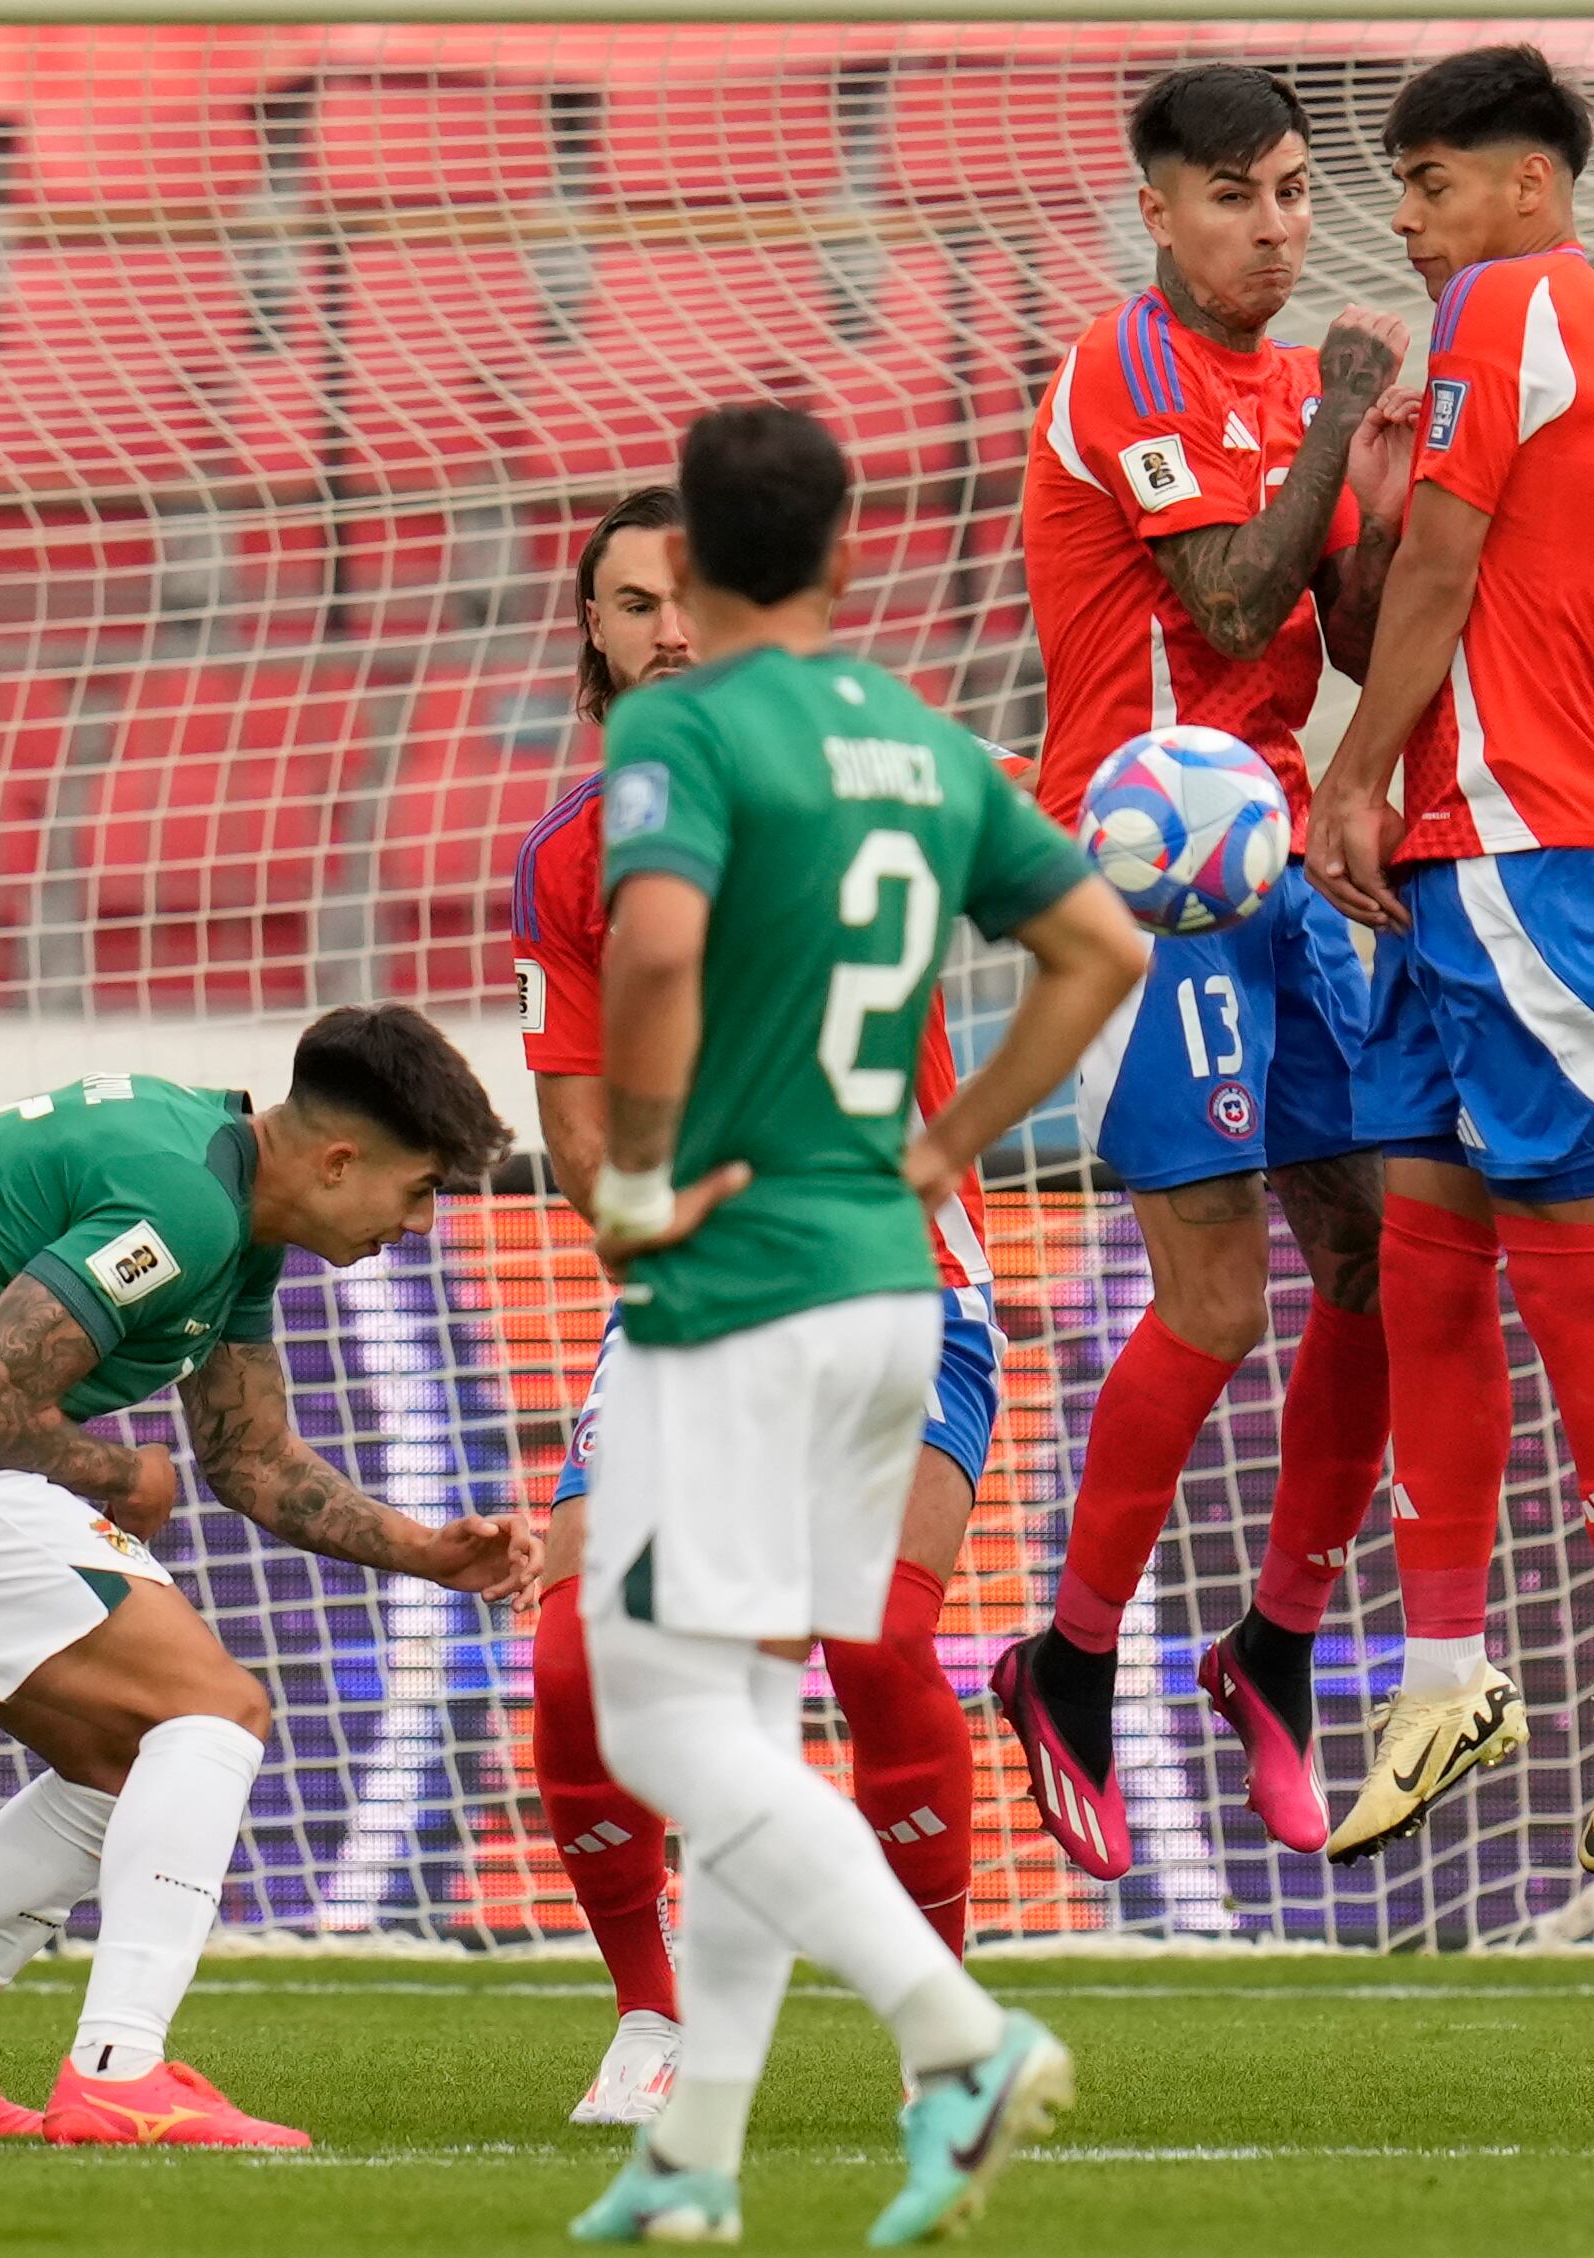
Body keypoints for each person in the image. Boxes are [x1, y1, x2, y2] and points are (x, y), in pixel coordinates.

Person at [566, 403, 1146, 2247]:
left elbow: (654, 948)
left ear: (696, 568)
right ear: (842, 550)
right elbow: (1103, 948)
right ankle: (690, 2165)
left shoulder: (682, 723)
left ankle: (954, 2035)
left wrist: (642, 1176)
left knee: (655, 1715)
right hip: (903, 1282)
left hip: (738, 1286)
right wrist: (957, 1142)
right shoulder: (916, 736)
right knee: (745, 1702)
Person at [0, 1007, 536, 2148]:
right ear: (338, 1159)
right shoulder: (181, 1201)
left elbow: (250, 1457)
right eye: (417, 1191)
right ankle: (121, 2066)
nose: (416, 1225)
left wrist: (423, 1549)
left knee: (122, 1760)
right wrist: (119, 1468)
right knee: (215, 1707)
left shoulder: (230, 1200)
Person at [1305, 44, 1594, 1873]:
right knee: (1426, 1266)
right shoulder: (1545, 330)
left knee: (1567, 1277)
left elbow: (1443, 589)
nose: (1403, 217)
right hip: (1454, 849)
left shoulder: (1516, 300)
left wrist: (1346, 773)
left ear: (1527, 185)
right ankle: (1444, 1664)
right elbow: (1394, 582)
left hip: (1524, 853)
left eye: (1426, 179)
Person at [515, 485, 1004, 2126]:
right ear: (587, 631)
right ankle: (648, 2014)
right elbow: (576, 1127)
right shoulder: (567, 866)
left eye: (686, 600)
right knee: (571, 1665)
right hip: (689, 1303)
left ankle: (936, 2033)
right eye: (629, 603)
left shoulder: (845, 785)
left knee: (881, 1648)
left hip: (899, 1289)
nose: (665, 631)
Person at [991, 60, 1419, 1878]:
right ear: (1155, 208)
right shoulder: (1130, 364)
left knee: (1385, 1255)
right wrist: (1336, 422)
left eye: (1298, 194)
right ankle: (1070, 1661)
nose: (1277, 230)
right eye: (1238, 197)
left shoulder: (1282, 392)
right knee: (1219, 1298)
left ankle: (1275, 1644)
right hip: (1148, 866)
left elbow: (1332, 631)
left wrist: (1385, 504)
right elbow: (1229, 607)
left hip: (1278, 861)